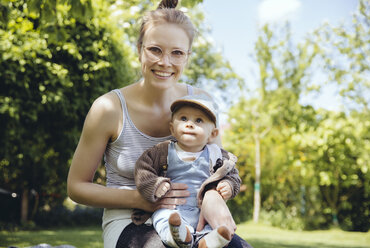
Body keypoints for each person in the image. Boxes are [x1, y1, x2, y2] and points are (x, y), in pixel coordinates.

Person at [67, 0, 253, 247]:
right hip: (131, 219)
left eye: (177, 53)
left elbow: (215, 166)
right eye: (155, 50)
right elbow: (76, 187)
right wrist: (140, 199)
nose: (165, 62)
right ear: (139, 49)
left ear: (187, 57)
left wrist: (212, 196)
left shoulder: (203, 103)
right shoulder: (109, 108)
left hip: (193, 218)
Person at [134, 94, 241, 247]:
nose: (190, 124)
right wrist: (155, 184)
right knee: (163, 218)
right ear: (172, 127)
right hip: (171, 208)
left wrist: (229, 185)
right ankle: (179, 236)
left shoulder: (216, 154)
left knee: (214, 224)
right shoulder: (162, 151)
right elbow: (143, 169)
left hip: (203, 212)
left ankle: (209, 242)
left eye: (198, 120)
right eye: (183, 118)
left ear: (213, 134)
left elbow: (232, 174)